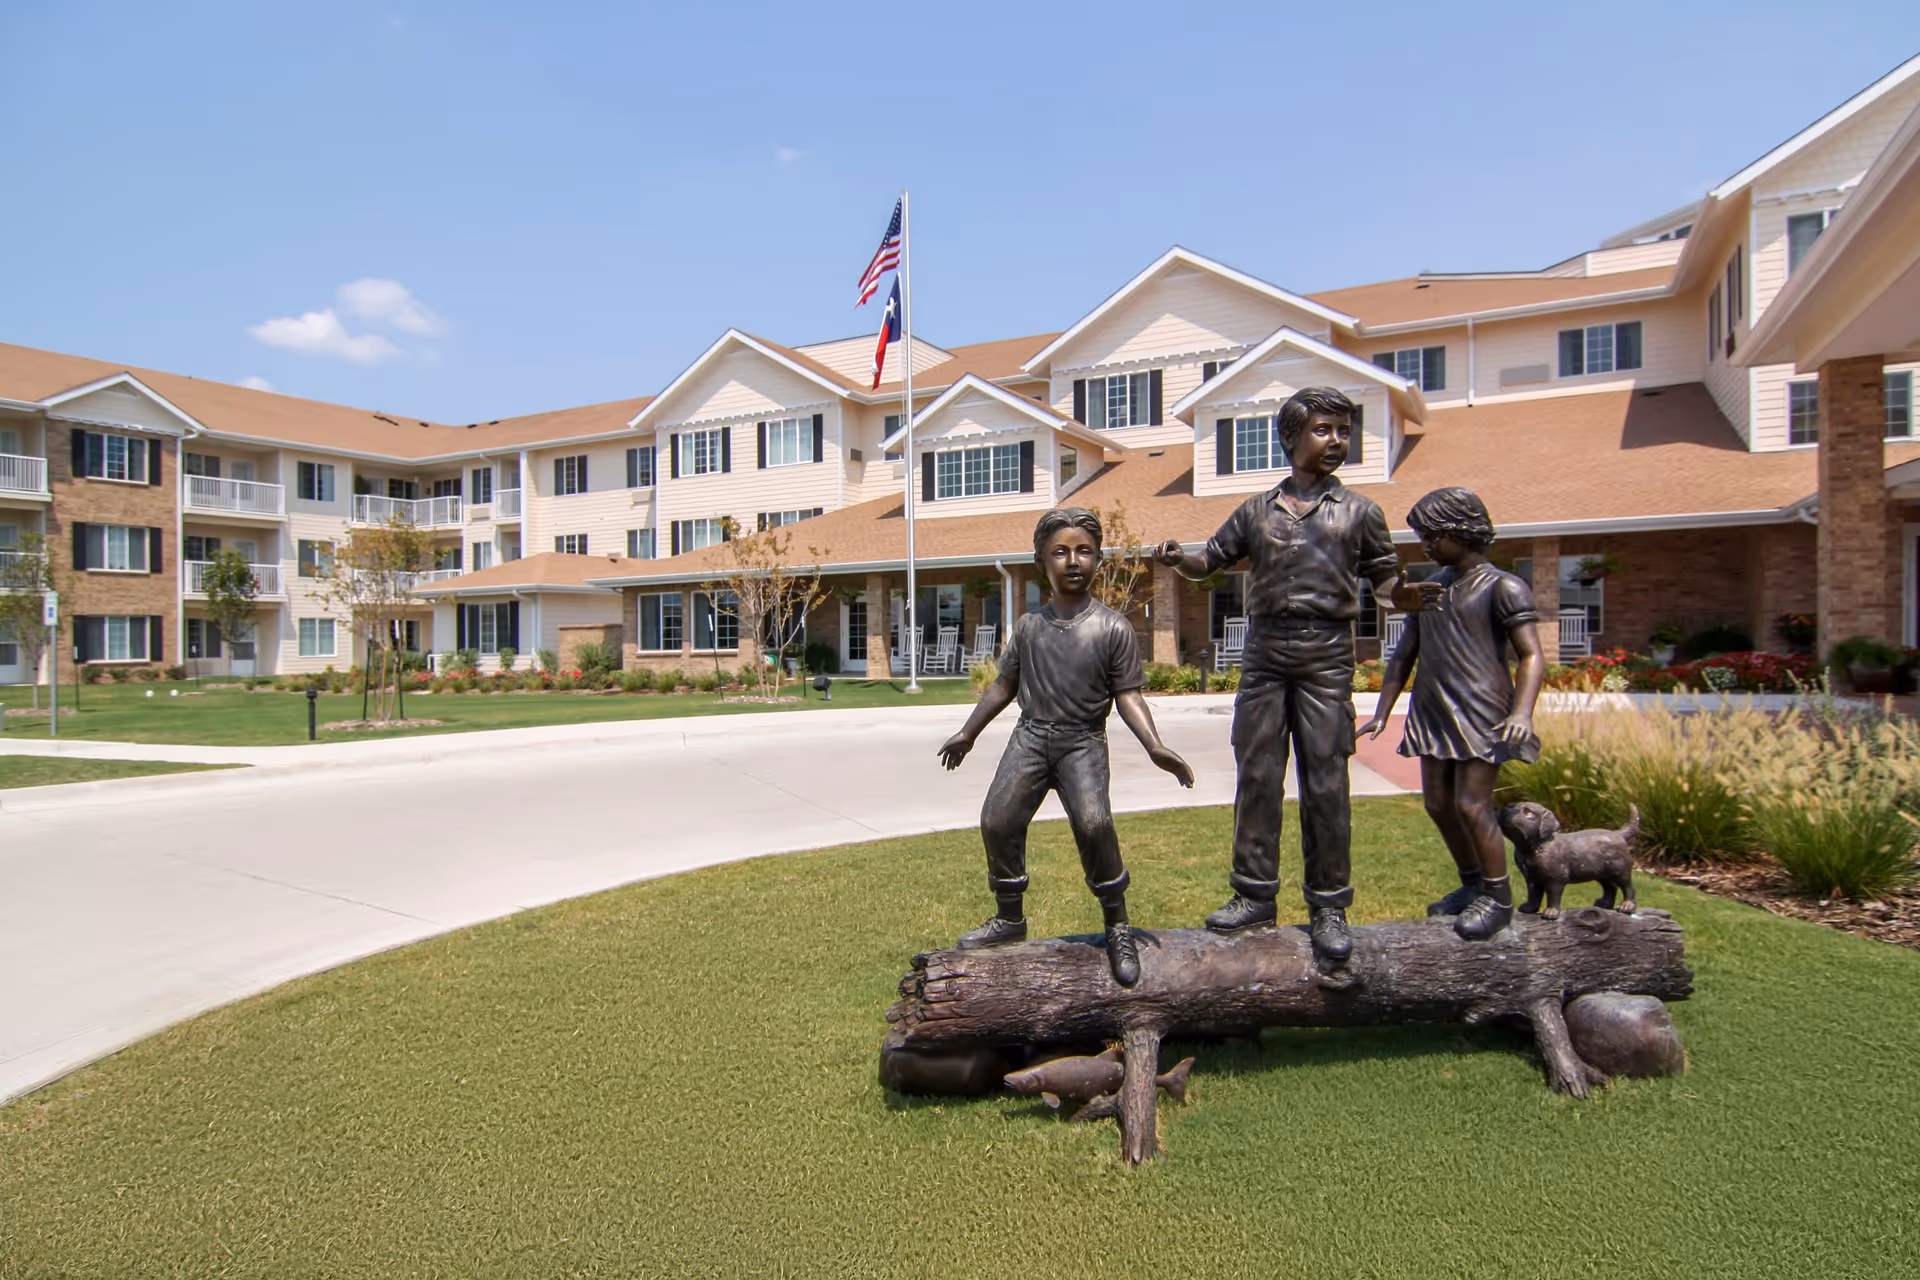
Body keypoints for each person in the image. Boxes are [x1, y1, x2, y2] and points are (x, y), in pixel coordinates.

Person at [1156, 387, 1429, 967]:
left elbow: (1384, 582)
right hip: (1264, 653)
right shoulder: (1256, 511)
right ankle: (1253, 895)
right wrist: (1181, 556)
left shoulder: (1361, 512)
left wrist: (1401, 594)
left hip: (1326, 655)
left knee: (1326, 780)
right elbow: (1212, 560)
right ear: (1290, 438)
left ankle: (1329, 905)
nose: (1337, 441)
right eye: (1324, 430)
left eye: (1343, 431)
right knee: (1256, 774)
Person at [938, 507, 1195, 987]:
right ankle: (1009, 917)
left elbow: (1128, 696)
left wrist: (1155, 746)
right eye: (1060, 551)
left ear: (1098, 559)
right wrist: (968, 732)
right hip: (1031, 738)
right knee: (997, 820)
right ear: (1041, 561)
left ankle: (1117, 923)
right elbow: (1002, 686)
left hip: (1082, 742)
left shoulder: (1112, 628)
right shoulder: (1030, 627)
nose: (1072, 560)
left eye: (1084, 551)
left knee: (1095, 825)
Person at [1357, 487, 1546, 940]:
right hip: (1434, 708)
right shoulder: (1430, 590)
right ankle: (1472, 884)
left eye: (1434, 535)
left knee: (1471, 803)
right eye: (1423, 535)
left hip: (1482, 711)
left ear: (1464, 532)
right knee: (1438, 804)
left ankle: (1498, 899)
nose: (1426, 544)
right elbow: (1403, 656)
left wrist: (1523, 712)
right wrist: (1383, 711)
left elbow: (1532, 656)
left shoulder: (1504, 586)